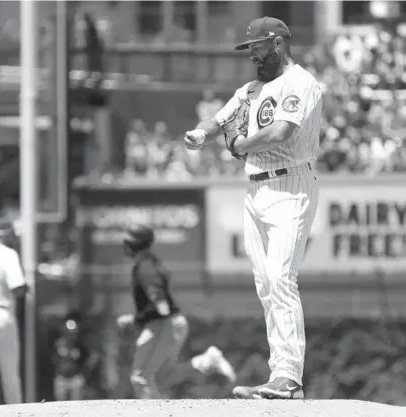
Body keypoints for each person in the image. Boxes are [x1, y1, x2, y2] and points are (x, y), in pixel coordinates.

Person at [184, 17, 322, 400]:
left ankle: (289, 378)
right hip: (255, 188)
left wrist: (241, 145)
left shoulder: (301, 83)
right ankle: (280, 373)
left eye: (258, 47)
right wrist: (200, 133)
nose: (253, 55)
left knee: (280, 277)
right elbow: (219, 119)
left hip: (291, 183)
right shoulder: (251, 89)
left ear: (277, 43)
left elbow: (282, 131)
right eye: (250, 48)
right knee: (265, 283)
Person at [117, 224, 236, 399]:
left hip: (162, 323)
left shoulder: (145, 266)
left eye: (127, 241)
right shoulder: (148, 263)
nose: (124, 245)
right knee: (163, 376)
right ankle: (208, 361)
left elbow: (157, 296)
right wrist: (138, 319)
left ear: (133, 244)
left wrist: (157, 314)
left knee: (141, 375)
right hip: (168, 322)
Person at [0, 232, 28, 404]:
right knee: (9, 373)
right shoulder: (7, 254)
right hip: (2, 314)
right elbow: (17, 288)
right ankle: (16, 412)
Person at [52, 312, 99, 401]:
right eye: (68, 332)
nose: (71, 335)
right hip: (62, 379)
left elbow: (93, 357)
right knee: (60, 406)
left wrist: (84, 373)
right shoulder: (58, 344)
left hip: (75, 379)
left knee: (76, 405)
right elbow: (53, 359)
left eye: (73, 333)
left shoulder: (80, 345)